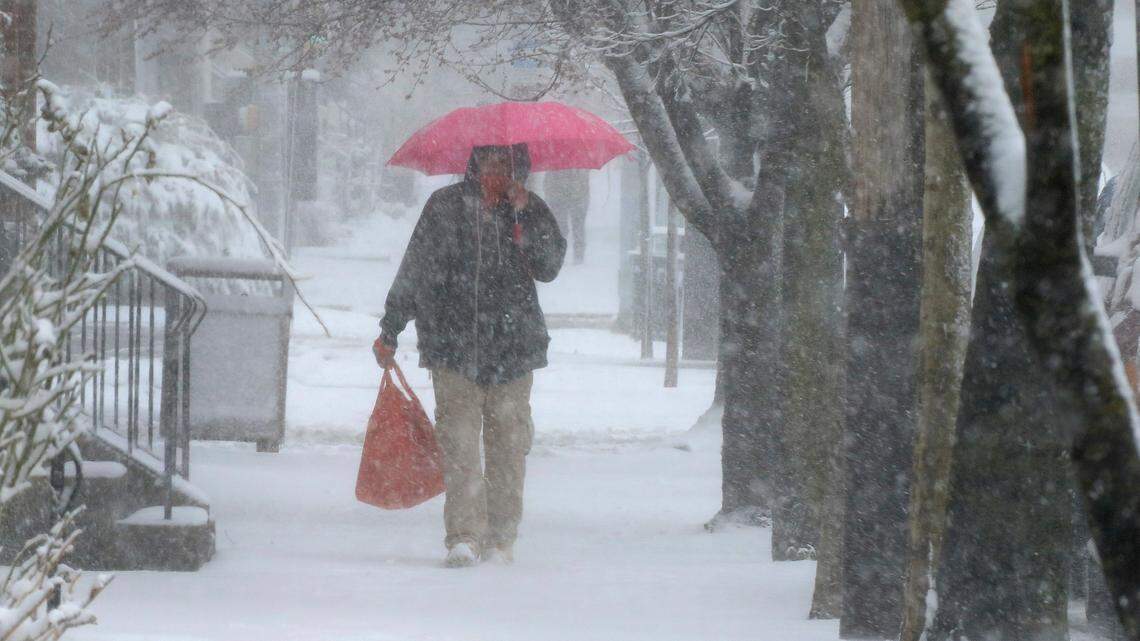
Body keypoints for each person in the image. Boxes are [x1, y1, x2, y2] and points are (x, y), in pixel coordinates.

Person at [372, 143, 566, 568]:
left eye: (506, 164)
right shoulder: (445, 207)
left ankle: (500, 538)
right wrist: (391, 327)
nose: (495, 171)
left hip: (514, 351)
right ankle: (463, 536)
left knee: (508, 449)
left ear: (521, 170)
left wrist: (525, 214)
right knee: (459, 447)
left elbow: (549, 266)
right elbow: (416, 267)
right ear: (474, 165)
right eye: (489, 162)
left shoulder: (530, 209)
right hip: (451, 347)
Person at [543, 168, 590, 264]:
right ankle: (576, 255)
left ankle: (564, 254)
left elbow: (547, 183)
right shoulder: (580, 163)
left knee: (566, 228)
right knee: (575, 228)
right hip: (574, 197)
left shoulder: (555, 164)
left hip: (566, 198)